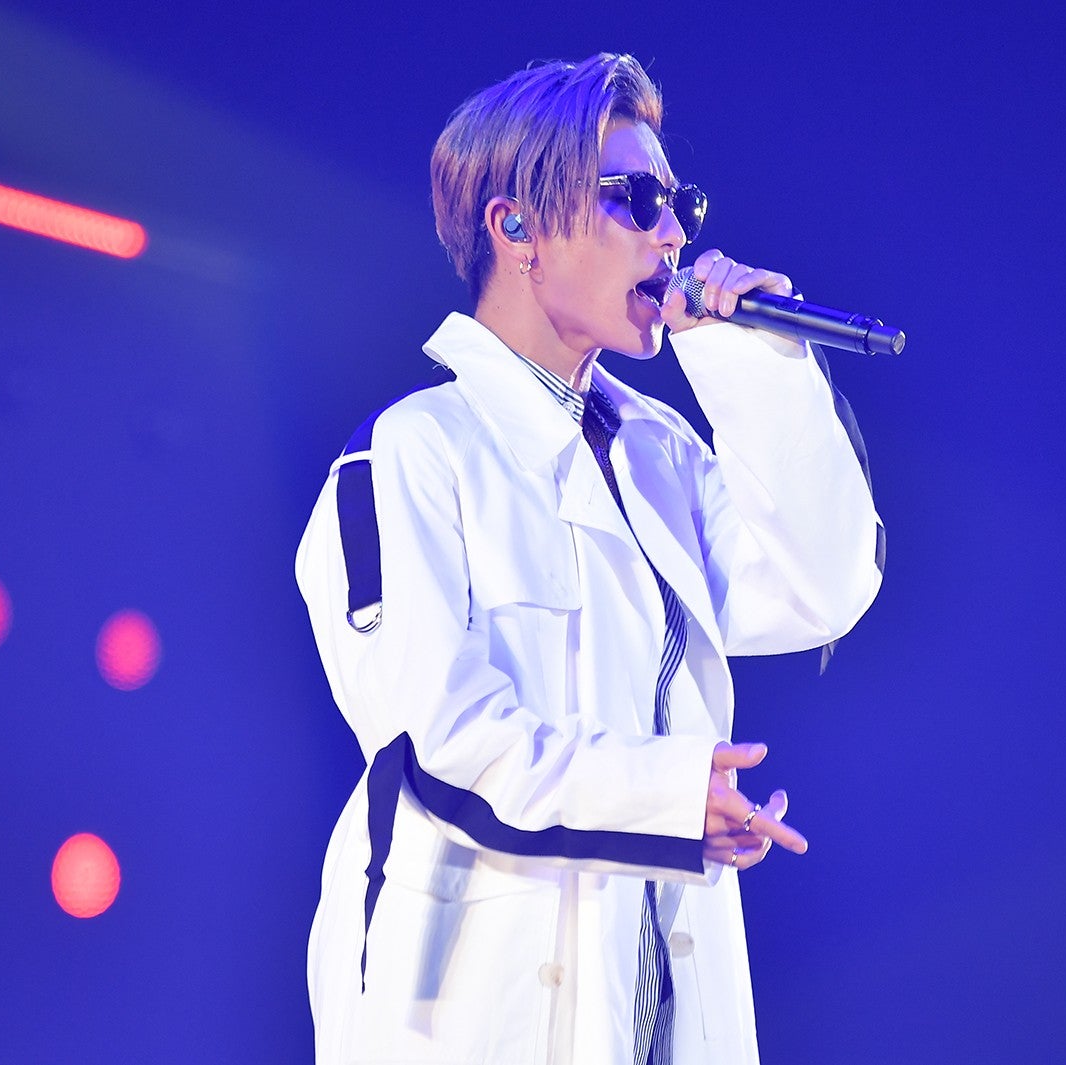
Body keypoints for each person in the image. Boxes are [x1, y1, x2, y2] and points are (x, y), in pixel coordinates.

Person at [295, 52, 882, 1065]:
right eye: (636, 200)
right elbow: (442, 742)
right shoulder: (412, 453)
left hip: (655, 1006)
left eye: (679, 204)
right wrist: (667, 797)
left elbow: (821, 588)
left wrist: (754, 364)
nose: (673, 233)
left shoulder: (661, 455)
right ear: (516, 225)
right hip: (468, 1016)